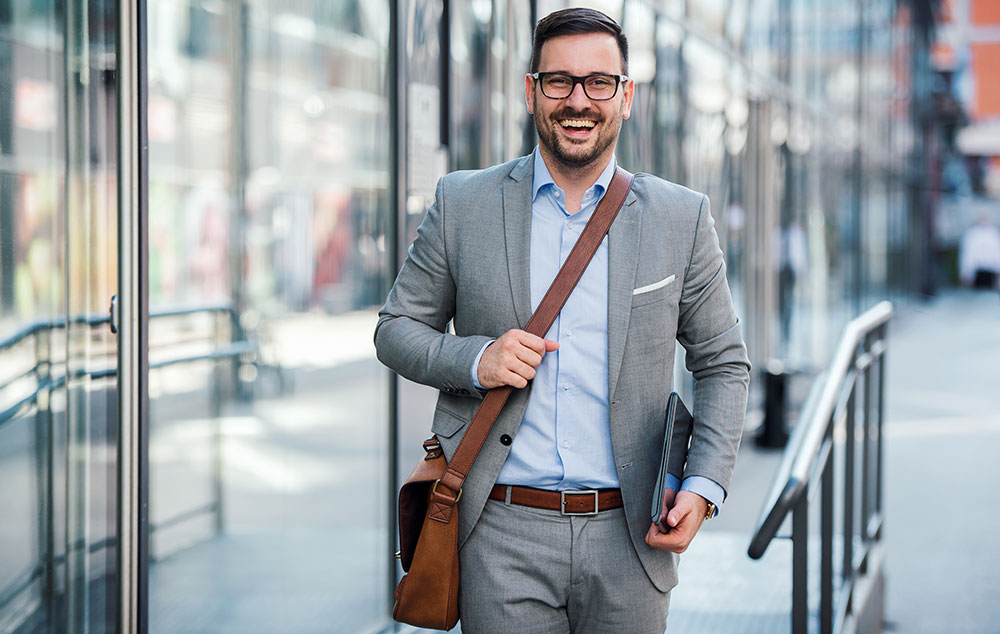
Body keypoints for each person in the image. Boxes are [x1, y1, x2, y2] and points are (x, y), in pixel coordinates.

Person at [375, 8, 750, 633]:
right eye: (559, 81)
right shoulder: (462, 203)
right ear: (531, 91)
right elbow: (395, 329)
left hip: (631, 539)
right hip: (500, 535)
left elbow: (723, 361)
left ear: (625, 97)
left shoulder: (680, 219)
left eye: (600, 82)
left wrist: (704, 484)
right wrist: (476, 359)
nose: (579, 101)